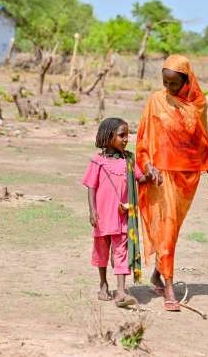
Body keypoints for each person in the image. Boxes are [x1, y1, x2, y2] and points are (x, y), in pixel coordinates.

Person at [137, 55, 208, 311]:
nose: (169, 88)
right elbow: (143, 139)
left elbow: (203, 143)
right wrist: (147, 165)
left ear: (186, 80)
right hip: (161, 176)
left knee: (170, 231)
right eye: (165, 82)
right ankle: (169, 287)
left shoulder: (198, 105)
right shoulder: (155, 100)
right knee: (167, 226)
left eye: (174, 84)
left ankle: (156, 274)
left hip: (188, 176)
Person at [82, 117, 148, 307]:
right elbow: (91, 187)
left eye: (127, 135)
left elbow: (141, 179)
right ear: (108, 136)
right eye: (121, 135)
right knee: (102, 251)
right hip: (102, 217)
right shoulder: (98, 161)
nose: (126, 139)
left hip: (122, 217)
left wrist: (152, 174)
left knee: (121, 252)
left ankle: (120, 291)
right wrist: (92, 211)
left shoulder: (128, 160)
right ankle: (103, 284)